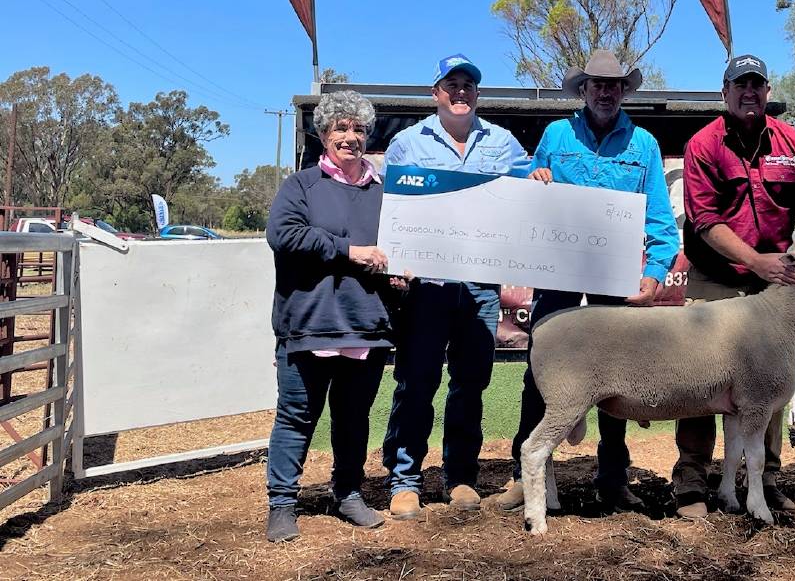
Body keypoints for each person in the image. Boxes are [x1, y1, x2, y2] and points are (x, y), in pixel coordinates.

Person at [495, 49, 679, 512]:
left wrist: (655, 275)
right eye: (596, 83)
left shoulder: (644, 144)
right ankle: (527, 473)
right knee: (541, 368)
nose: (604, 91)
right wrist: (532, 174)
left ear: (623, 90)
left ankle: (613, 478)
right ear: (583, 89)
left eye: (613, 84)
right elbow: (530, 192)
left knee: (613, 372)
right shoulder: (557, 135)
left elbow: (660, 219)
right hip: (557, 273)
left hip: (612, 276)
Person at [671, 54, 795, 520]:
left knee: (769, 382)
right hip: (717, 278)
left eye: (757, 84)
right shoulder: (703, 144)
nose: (749, 92)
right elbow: (704, 221)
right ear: (724, 92)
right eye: (740, 84)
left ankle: (766, 479)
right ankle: (692, 480)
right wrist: (754, 260)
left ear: (767, 90)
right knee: (696, 378)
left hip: (775, 285)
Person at [381, 54, 530, 520]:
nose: (460, 91)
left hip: (481, 288)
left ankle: (460, 476)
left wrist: (539, 178)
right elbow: (392, 206)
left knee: (470, 385)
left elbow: (527, 190)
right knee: (416, 381)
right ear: (435, 93)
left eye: (468, 84)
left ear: (477, 93)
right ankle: (404, 479)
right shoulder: (407, 143)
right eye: (451, 84)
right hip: (426, 287)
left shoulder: (502, 143)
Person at [264, 90, 402, 542]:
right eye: (340, 129)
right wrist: (349, 252)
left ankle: (348, 494)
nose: (350, 137)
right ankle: (282, 503)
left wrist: (400, 273)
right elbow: (284, 235)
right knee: (297, 416)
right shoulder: (301, 186)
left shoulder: (385, 194)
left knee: (353, 418)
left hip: (367, 324)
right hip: (309, 323)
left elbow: (396, 251)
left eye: (359, 129)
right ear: (324, 135)